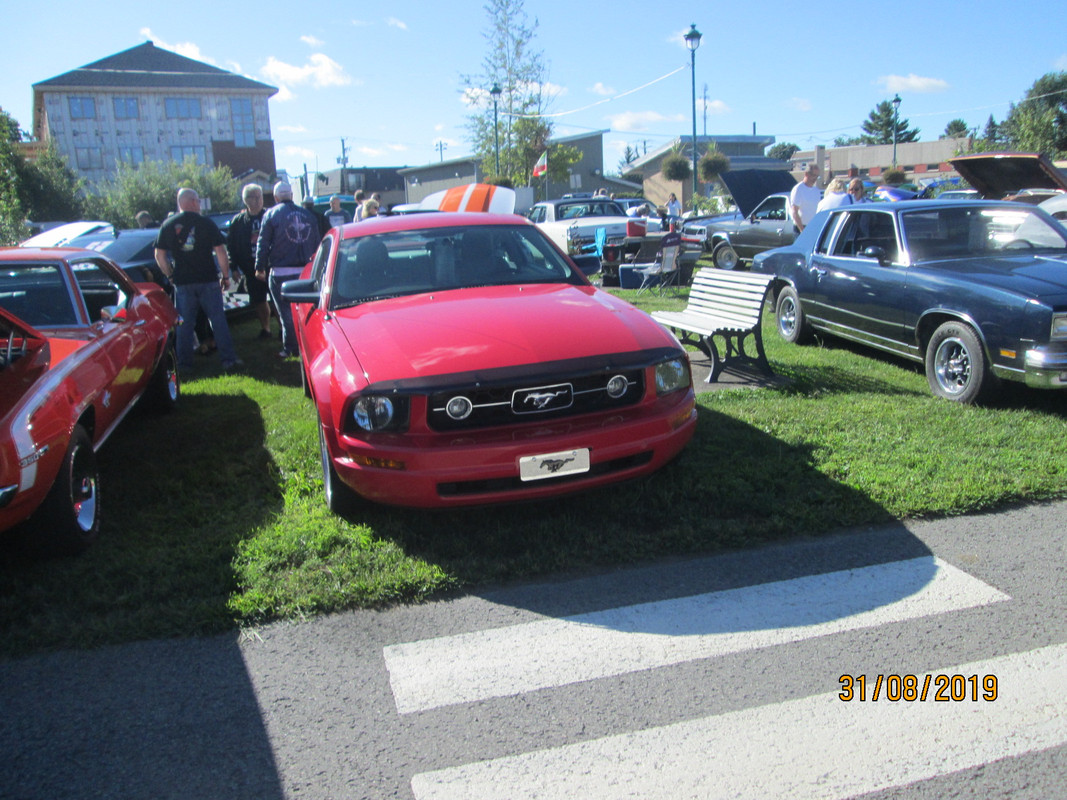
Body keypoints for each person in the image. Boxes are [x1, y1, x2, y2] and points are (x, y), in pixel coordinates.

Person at [153, 187, 242, 371]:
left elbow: (159, 255)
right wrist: (225, 276)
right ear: (192, 201)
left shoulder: (168, 225)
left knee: (184, 325)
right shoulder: (206, 224)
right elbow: (220, 252)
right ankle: (228, 360)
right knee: (218, 320)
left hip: (183, 282)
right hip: (208, 279)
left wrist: (169, 274)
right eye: (198, 201)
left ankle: (184, 365)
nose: (200, 204)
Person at [255, 181, 320, 358]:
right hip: (307, 271)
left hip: (281, 271)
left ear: (276, 197)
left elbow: (263, 242)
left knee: (286, 313)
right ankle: (311, 344)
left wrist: (259, 266)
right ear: (291, 195)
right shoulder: (308, 215)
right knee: (310, 310)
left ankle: (291, 347)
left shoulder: (271, 215)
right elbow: (316, 243)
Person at [227, 183, 272, 340]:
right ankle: (266, 328)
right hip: (250, 269)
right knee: (259, 300)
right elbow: (231, 246)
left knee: (278, 299)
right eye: (254, 197)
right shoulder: (238, 222)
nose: (258, 200)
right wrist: (233, 267)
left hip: (271, 266)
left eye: (259, 196)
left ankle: (283, 329)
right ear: (246, 200)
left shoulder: (270, 215)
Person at [789, 164, 822, 233]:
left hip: (813, 227)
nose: (815, 178)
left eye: (817, 176)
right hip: (801, 228)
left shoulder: (816, 191)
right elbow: (794, 211)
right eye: (813, 175)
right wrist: (802, 230)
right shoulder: (798, 189)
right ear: (806, 174)